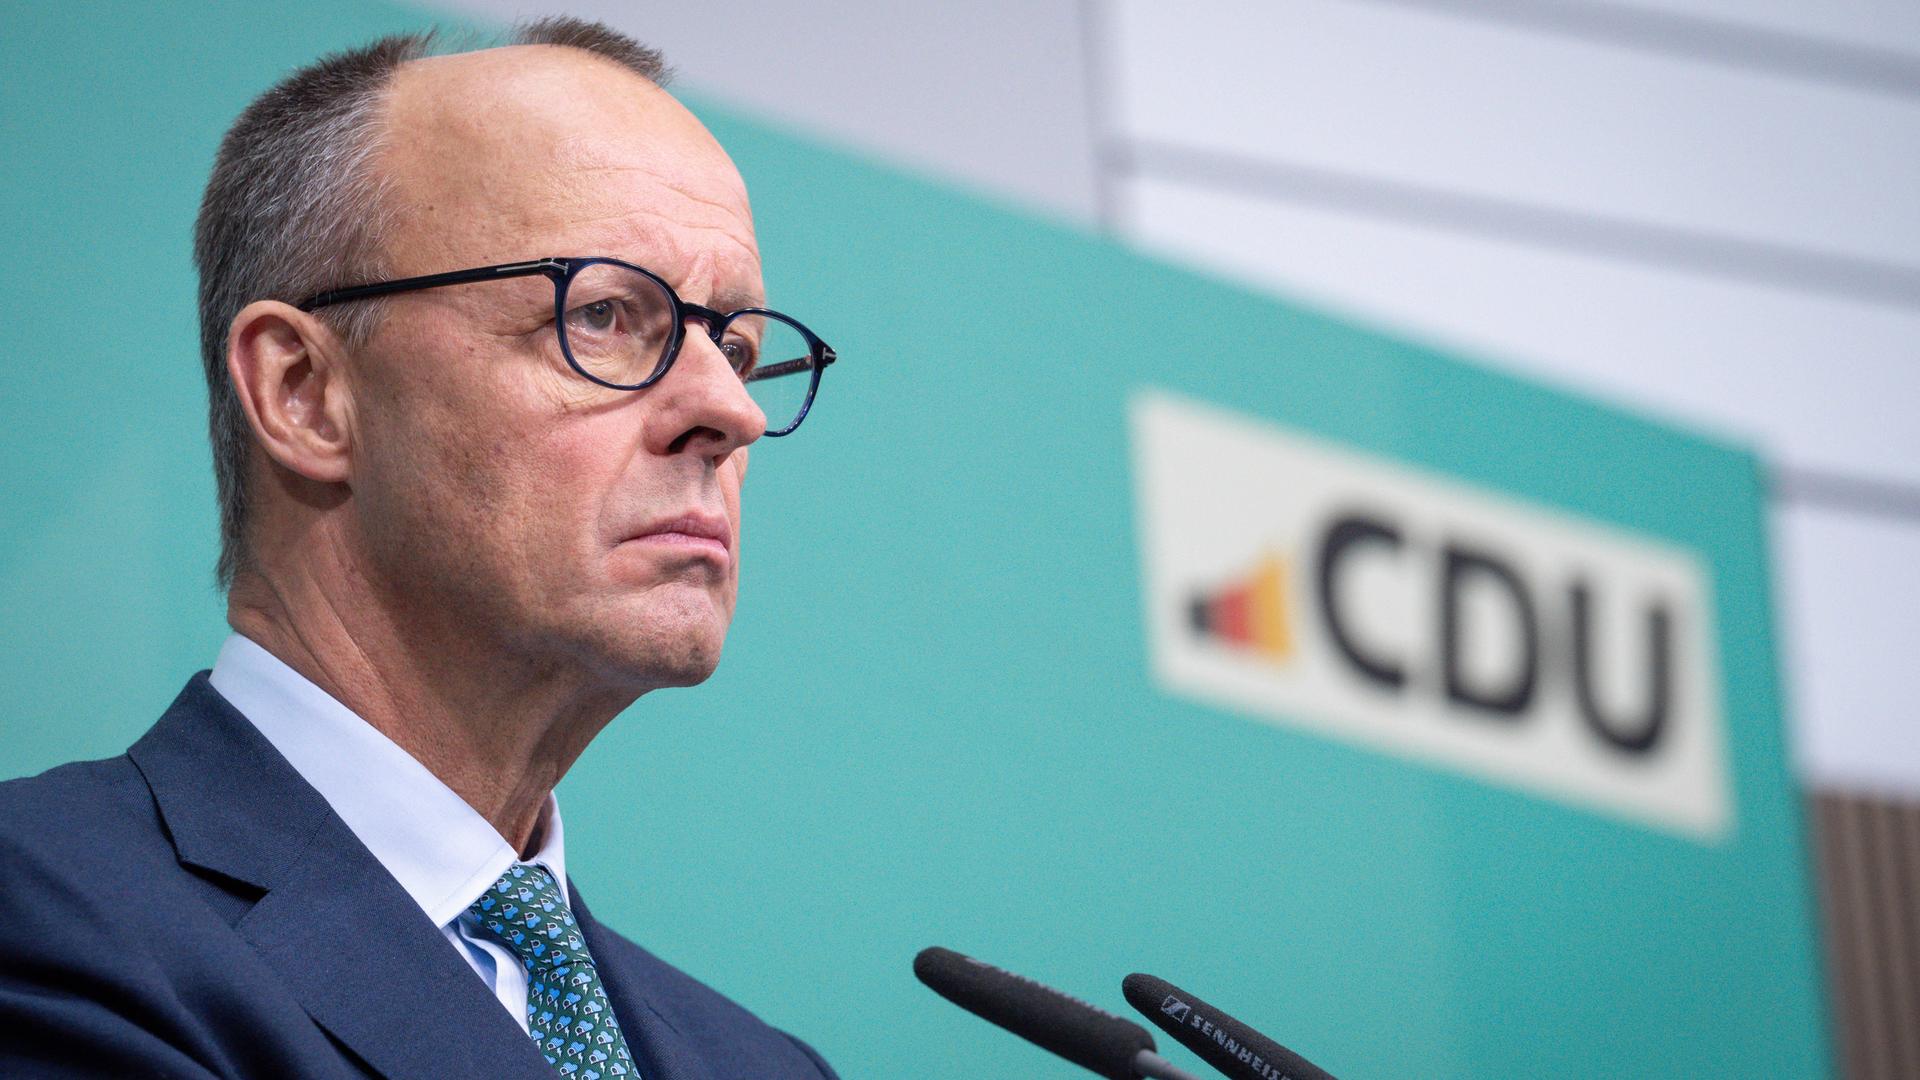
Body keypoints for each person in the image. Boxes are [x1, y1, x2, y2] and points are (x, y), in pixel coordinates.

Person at [0, 17, 838, 1079]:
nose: (730, 410)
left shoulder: (762, 1065)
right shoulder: (45, 925)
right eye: (610, 316)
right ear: (306, 395)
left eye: (738, 346)